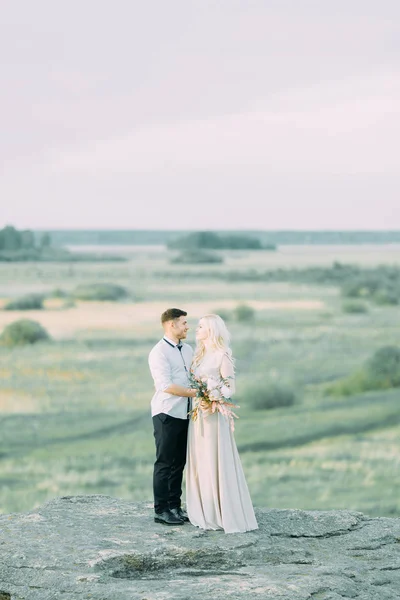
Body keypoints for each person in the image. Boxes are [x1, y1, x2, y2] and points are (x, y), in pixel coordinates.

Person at [186, 314, 258, 533]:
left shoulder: (222, 355)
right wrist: (201, 396)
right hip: (199, 414)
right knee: (200, 459)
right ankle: (205, 510)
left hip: (215, 417)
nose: (196, 330)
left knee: (214, 458)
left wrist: (213, 392)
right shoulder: (199, 355)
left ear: (211, 330)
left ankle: (221, 511)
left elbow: (230, 389)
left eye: (200, 327)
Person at [148, 308, 197, 525]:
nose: (187, 327)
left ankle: (175, 506)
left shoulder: (188, 350)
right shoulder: (158, 352)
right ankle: (161, 510)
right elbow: (165, 385)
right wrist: (197, 393)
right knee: (165, 462)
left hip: (185, 413)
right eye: (184, 323)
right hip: (166, 412)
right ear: (171, 324)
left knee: (180, 463)